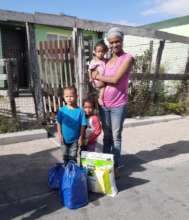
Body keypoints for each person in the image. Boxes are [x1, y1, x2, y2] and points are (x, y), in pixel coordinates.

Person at [91, 27, 134, 175]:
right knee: (107, 135)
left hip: (118, 104)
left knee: (116, 136)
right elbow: (100, 83)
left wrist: (97, 76)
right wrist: (96, 79)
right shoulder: (107, 61)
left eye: (117, 41)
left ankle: (116, 166)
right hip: (104, 104)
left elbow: (115, 80)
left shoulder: (128, 58)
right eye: (111, 42)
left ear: (122, 41)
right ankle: (104, 163)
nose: (114, 45)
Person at [56, 86, 87, 164]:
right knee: (65, 157)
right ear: (64, 97)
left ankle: (72, 172)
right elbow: (58, 123)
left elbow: (83, 125)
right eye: (67, 96)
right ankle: (67, 172)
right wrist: (60, 134)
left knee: (73, 158)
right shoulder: (61, 111)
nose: (69, 98)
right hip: (64, 139)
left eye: (71, 96)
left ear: (76, 96)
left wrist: (81, 136)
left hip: (75, 140)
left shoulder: (80, 111)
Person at [88, 40, 108, 105]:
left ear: (105, 52)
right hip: (97, 79)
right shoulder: (94, 61)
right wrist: (90, 78)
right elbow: (90, 70)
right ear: (95, 52)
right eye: (98, 52)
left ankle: (100, 98)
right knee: (102, 87)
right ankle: (99, 99)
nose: (100, 53)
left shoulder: (105, 60)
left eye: (102, 52)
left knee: (103, 88)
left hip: (103, 78)